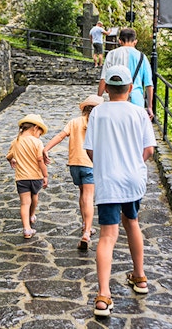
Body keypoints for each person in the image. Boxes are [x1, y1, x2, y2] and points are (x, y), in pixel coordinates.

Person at [83, 65, 156, 317]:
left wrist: (106, 163)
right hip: (133, 179)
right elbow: (149, 150)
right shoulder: (139, 113)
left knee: (107, 236)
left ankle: (103, 296)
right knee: (132, 223)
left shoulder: (98, 114)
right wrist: (133, 163)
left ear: (108, 89)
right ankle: (140, 277)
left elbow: (89, 150)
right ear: (130, 88)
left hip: (109, 180)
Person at [43, 94, 104, 251]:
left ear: (84, 108)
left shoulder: (74, 122)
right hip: (90, 164)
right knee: (89, 197)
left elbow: (60, 136)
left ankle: (85, 223)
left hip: (74, 165)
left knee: (82, 194)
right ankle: (86, 232)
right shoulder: (99, 123)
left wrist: (46, 149)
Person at [6, 114, 48, 239]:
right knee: (34, 197)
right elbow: (40, 160)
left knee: (24, 203)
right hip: (36, 177)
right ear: (35, 128)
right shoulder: (37, 142)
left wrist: (11, 161)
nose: (39, 135)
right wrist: (45, 175)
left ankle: (26, 229)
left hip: (21, 178)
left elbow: (9, 156)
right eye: (40, 132)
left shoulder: (16, 141)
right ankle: (32, 215)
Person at [98, 27, 153, 119]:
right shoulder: (142, 57)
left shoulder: (111, 54)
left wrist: (98, 99)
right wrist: (150, 107)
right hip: (136, 100)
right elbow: (149, 84)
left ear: (120, 41)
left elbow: (104, 79)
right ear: (135, 41)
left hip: (115, 100)